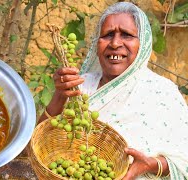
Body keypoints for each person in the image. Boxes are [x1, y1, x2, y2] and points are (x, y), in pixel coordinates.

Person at [39, 2, 188, 180]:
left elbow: (184, 160)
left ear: (143, 44)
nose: (115, 43)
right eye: (108, 35)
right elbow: (38, 144)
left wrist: (150, 164)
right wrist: (59, 95)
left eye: (127, 35)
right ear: (97, 43)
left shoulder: (163, 93)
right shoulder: (80, 85)